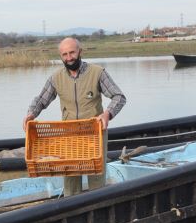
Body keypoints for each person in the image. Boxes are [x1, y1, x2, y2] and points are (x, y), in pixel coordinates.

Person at [23, 37, 126, 196]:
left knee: (97, 181)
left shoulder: (97, 73)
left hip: (95, 134)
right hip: (69, 136)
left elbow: (119, 97)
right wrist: (31, 114)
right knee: (70, 184)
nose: (69, 58)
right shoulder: (55, 78)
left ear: (80, 52)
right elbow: (41, 100)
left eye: (72, 52)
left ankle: (97, 210)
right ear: (61, 56)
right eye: (64, 54)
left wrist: (107, 114)